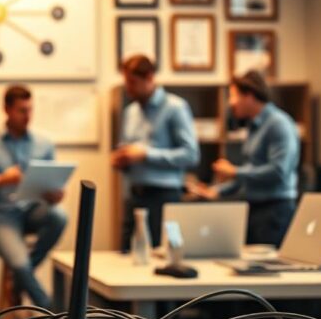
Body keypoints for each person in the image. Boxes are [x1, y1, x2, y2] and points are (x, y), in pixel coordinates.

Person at [0, 85, 66, 310]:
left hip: (34, 210)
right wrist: (0, 180)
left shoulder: (44, 143)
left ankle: (20, 281)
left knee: (59, 216)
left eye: (30, 110)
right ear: (7, 110)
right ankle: (51, 310)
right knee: (20, 264)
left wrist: (55, 194)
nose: (27, 116)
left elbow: (52, 181)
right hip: (2, 216)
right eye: (22, 111)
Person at [191, 70, 300, 246]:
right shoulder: (254, 126)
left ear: (249, 95)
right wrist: (218, 191)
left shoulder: (278, 124)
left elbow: (279, 171)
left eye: (233, 96)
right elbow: (251, 173)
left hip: (274, 212)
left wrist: (234, 172)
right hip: (255, 209)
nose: (230, 103)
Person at [113, 54, 199, 250]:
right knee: (125, 256)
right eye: (126, 82)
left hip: (164, 198)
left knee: (160, 258)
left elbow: (191, 155)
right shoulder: (130, 112)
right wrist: (122, 160)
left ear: (149, 77)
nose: (128, 88)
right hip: (134, 196)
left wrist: (146, 154)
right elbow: (128, 149)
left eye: (133, 82)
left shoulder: (175, 108)